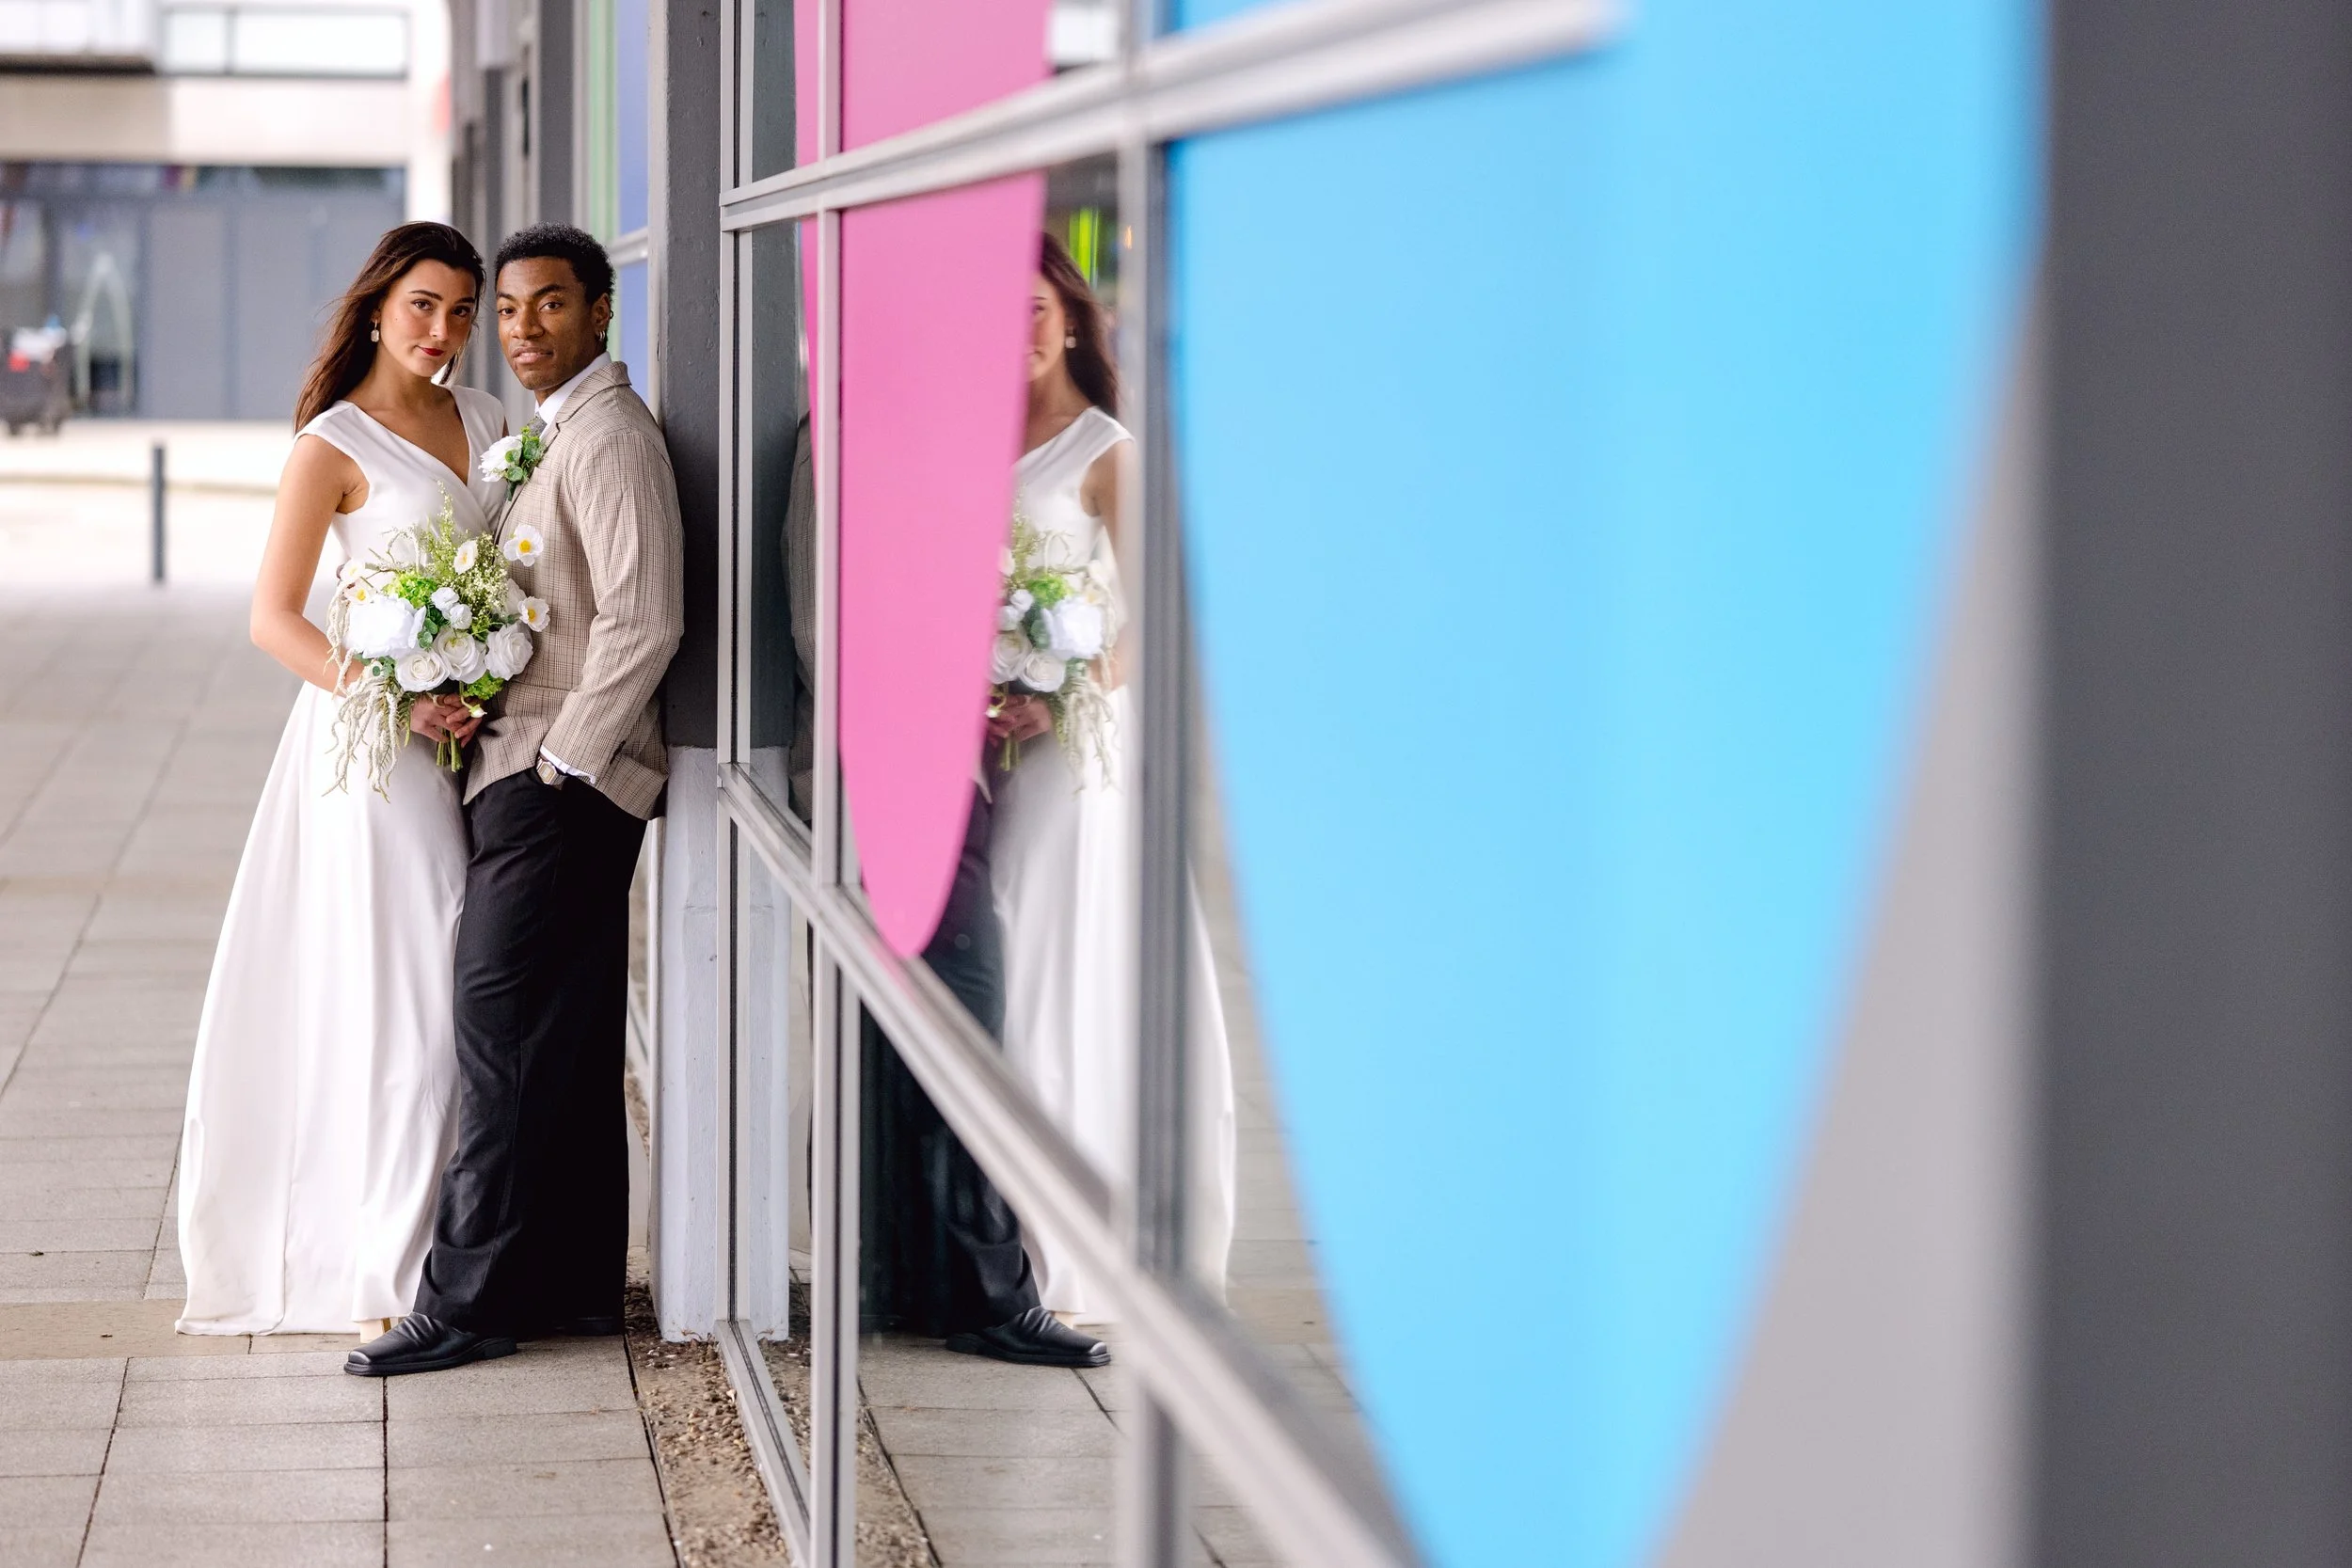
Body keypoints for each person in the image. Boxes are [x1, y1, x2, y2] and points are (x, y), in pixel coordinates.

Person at [348, 224, 684, 1376]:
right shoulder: (555, 432)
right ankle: (578, 1283)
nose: (522, 329)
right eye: (507, 310)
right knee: (571, 1035)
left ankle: (470, 1297)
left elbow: (646, 618)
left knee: (495, 1033)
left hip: (562, 783)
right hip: (542, 774)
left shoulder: (611, 439)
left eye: (549, 305)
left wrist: (562, 766)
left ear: (600, 312)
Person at [177, 222, 501, 1337]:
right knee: (408, 986)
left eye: (463, 310)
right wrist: (396, 701)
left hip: (482, 741)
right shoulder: (331, 442)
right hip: (372, 756)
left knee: (463, 983)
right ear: (377, 306)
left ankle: (453, 1245)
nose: (444, 330)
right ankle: (389, 1267)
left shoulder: (494, 425)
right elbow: (272, 619)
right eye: (424, 304)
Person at [991, 236, 1237, 1319]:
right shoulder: (980, 439)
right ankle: (1012, 1226)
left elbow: (1150, 610)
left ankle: (1082, 1242)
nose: (1026, 328)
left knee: (1058, 971)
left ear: (1075, 318)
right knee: (1011, 978)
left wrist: (1062, 680)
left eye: (1039, 307)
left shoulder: (1108, 448)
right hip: (991, 749)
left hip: (1074, 752)